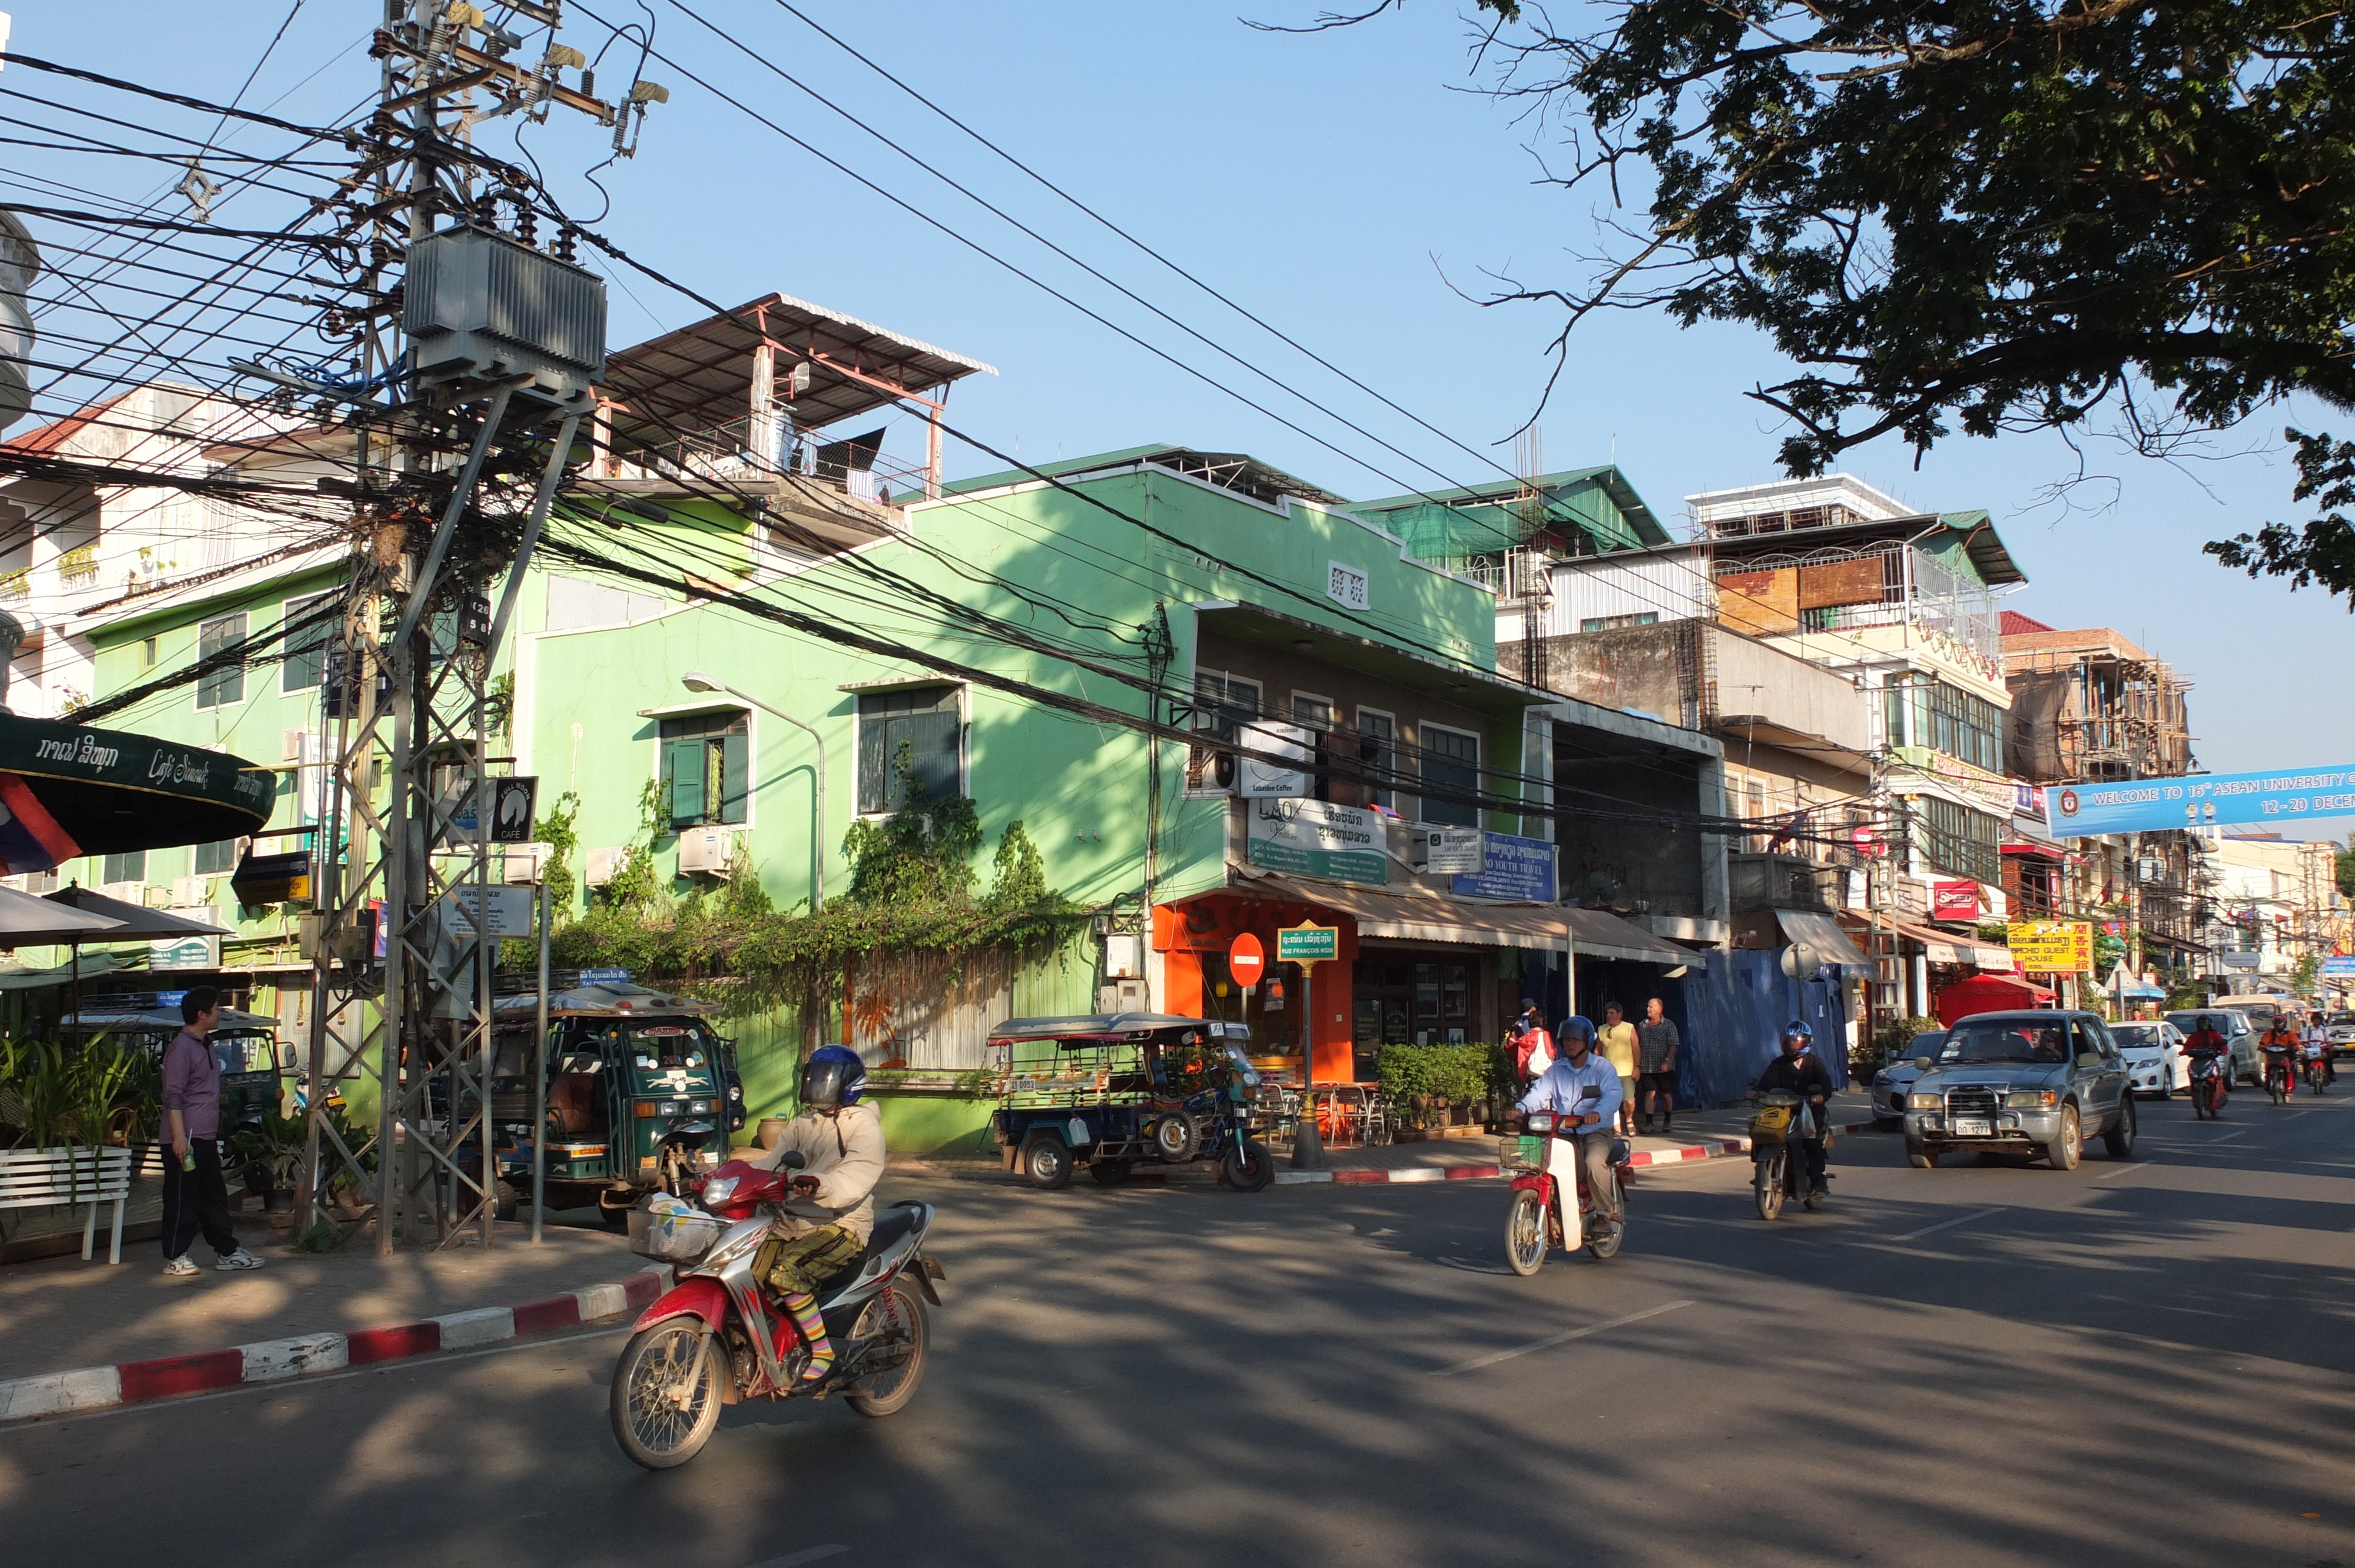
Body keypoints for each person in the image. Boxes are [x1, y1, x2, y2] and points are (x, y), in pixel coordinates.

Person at [749, 1046, 885, 1381]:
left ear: (846, 1084)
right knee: (746, 1275)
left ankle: (822, 1350)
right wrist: (728, 1176)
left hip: (841, 1223)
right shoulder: (802, 1124)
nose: (818, 1084)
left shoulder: (863, 1126)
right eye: (816, 1076)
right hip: (789, 1222)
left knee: (785, 1273)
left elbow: (857, 1174)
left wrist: (819, 1184)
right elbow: (771, 1164)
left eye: (827, 1078)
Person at [159, 985, 264, 1276]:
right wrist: (179, 1137)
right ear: (201, 1014)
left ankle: (227, 1250)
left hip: (204, 1137)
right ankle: (176, 1255)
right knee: (183, 1197)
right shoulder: (181, 1048)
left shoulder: (206, 1045)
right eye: (216, 1009)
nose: (220, 1014)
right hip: (185, 1138)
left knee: (213, 1195)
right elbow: (173, 1095)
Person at [1514, 1021, 1625, 1225]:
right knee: (1546, 1164)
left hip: (1596, 1131)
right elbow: (1539, 1093)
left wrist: (1597, 1113)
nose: (1570, 1044)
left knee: (1593, 1163)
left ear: (1587, 1042)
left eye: (1575, 1039)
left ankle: (1604, 1214)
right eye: (1566, 1040)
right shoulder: (1556, 1070)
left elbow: (1614, 1094)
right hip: (1563, 1131)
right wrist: (1521, 1108)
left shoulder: (1602, 1068)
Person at [1747, 1021, 1835, 1201]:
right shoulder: (1778, 1064)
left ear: (1806, 1042)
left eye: (1795, 1041)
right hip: (1782, 1109)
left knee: (1811, 1139)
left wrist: (1820, 1096)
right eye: (1788, 1041)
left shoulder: (1816, 1064)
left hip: (1809, 1110)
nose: (1791, 1045)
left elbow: (1826, 1085)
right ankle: (1761, 1170)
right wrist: (1756, 1092)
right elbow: (1765, 1084)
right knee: (1760, 1130)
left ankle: (1819, 1181)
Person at [1634, 997, 1681, 1135]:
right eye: (1648, 1006)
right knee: (1650, 1093)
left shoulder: (1668, 1025)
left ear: (1660, 1009)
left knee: (1666, 1094)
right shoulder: (1642, 1025)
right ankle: (1649, 1124)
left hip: (1664, 1068)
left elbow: (1674, 1044)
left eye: (1652, 1007)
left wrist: (1667, 1061)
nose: (1648, 1009)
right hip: (1647, 1066)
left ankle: (1667, 1121)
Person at [1596, 1002, 1639, 1137]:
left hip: (1626, 1071)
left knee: (1629, 1100)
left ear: (1620, 1015)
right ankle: (1617, 1129)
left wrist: (1637, 1067)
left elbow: (1636, 1048)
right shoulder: (1602, 1029)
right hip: (1607, 1073)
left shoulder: (1629, 1028)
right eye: (1607, 1013)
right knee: (1611, 1100)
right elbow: (1598, 1050)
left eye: (1612, 1013)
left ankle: (1629, 1120)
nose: (1609, 1016)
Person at [2182, 1014, 2231, 1110]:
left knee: (2217, 1077)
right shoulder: (2194, 1036)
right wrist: (2184, 1051)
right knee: (2191, 1074)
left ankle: (2218, 1097)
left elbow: (2222, 1045)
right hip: (2197, 1062)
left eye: (2205, 1023)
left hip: (2210, 1061)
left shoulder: (2215, 1034)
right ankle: (2195, 1096)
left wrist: (2222, 1051)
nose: (2203, 1025)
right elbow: (2187, 1046)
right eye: (2201, 1023)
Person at [1510, 1007, 1554, 1085]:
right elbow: (1551, 1053)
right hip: (1543, 1073)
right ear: (1542, 1022)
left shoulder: (1524, 1038)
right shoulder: (1544, 1035)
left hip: (1529, 1073)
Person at [2260, 1016, 2300, 1097]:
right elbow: (2264, 1042)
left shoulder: (2290, 1033)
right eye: (2277, 1022)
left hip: (2285, 1054)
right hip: (2273, 1055)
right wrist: (2263, 1046)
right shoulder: (2270, 1033)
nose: (2278, 1025)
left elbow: (2295, 1043)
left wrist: (2293, 1047)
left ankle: (2290, 1086)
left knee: (2289, 1069)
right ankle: (2268, 1084)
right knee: (2268, 1067)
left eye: (2280, 1022)